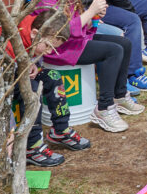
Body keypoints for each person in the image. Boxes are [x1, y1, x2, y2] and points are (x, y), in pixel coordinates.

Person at [36, 0, 144, 131]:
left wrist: (93, 16)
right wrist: (90, 10)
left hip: (75, 42)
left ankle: (119, 95)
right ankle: (104, 108)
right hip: (58, 49)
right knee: (113, 51)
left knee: (124, 43)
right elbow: (62, 32)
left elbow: (82, 28)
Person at [7, 9, 90, 167]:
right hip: (4, 80)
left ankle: (60, 130)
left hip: (22, 72)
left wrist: (35, 64)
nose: (50, 52)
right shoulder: (13, 40)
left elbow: (31, 56)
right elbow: (2, 70)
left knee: (52, 76)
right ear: (35, 33)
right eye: (48, 46)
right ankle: (32, 147)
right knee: (32, 89)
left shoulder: (35, 33)